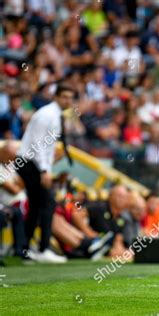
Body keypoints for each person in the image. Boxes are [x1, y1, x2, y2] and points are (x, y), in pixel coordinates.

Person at [15, 83, 75, 263]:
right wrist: (44, 170)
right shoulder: (47, 114)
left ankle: (24, 249)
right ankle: (43, 248)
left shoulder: (55, 115)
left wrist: (46, 168)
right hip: (29, 162)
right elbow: (38, 144)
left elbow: (48, 148)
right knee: (48, 202)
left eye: (70, 98)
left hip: (33, 163)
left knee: (36, 204)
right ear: (56, 96)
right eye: (65, 96)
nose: (68, 101)